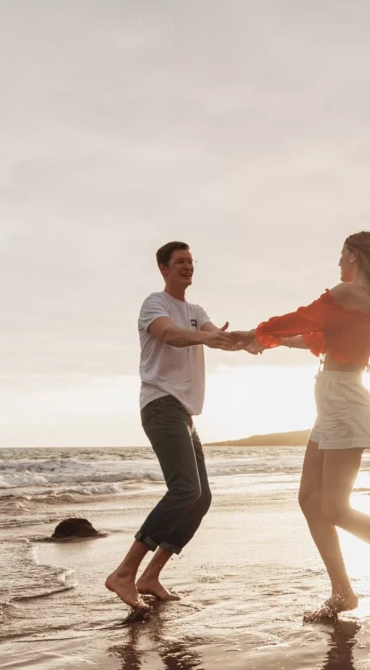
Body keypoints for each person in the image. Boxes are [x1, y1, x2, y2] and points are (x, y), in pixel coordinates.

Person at [241, 231, 370, 619]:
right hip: (333, 403)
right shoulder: (361, 301)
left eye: (342, 255)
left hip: (345, 403)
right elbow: (317, 337)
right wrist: (267, 342)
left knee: (334, 508)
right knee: (309, 500)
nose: (338, 263)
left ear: (356, 257)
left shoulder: (349, 294)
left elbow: (304, 317)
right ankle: (342, 592)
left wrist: (257, 332)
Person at [105, 241, 254, 611]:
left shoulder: (196, 310)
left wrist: (255, 339)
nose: (188, 266)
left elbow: (217, 337)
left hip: (184, 413)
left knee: (200, 497)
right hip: (160, 405)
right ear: (163, 268)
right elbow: (169, 334)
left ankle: (150, 575)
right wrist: (208, 337)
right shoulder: (154, 304)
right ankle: (124, 572)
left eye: (191, 261)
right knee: (185, 488)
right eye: (180, 262)